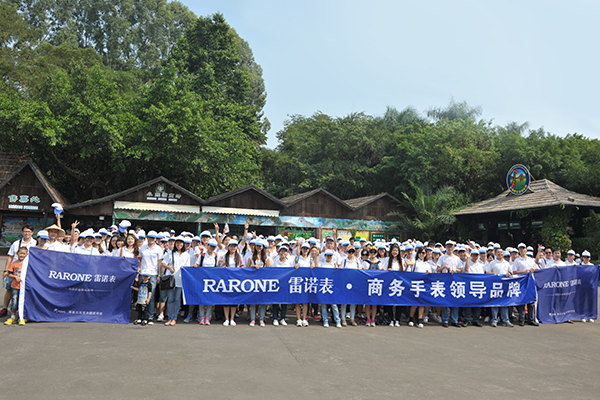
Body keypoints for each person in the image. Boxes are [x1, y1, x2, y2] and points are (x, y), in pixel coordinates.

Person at [2, 224, 36, 318]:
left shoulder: (34, 243)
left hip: (27, 271)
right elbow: (10, 257)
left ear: (32, 233)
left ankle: (21, 311)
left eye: (29, 231)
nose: (26, 233)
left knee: (24, 291)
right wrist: (6, 270)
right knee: (9, 289)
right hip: (14, 270)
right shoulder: (16, 243)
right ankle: (5, 308)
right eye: (25, 231)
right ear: (22, 232)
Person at [138, 231, 165, 325]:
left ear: (155, 239)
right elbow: (140, 260)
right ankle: (141, 316)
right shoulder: (143, 247)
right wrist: (139, 270)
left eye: (153, 238)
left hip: (153, 274)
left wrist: (159, 275)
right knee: (142, 295)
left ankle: (149, 317)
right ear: (147, 238)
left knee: (151, 295)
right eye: (150, 237)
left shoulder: (158, 249)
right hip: (143, 273)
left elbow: (160, 263)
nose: (151, 239)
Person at [161, 237, 190, 326]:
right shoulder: (170, 253)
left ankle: (174, 318)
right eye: (177, 243)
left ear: (183, 244)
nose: (179, 245)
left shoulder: (186, 255)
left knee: (177, 299)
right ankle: (170, 318)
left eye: (181, 243)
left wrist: (184, 267)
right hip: (171, 279)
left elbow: (188, 266)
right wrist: (169, 268)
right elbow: (163, 263)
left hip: (180, 279)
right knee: (170, 299)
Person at [511, 243, 539, 327]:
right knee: (522, 300)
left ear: (526, 250)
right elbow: (514, 271)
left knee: (531, 300)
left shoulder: (531, 259)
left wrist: (534, 268)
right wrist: (523, 271)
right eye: (520, 249)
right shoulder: (517, 260)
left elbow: (537, 267)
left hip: (531, 281)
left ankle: (531, 319)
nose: (522, 250)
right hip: (522, 282)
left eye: (523, 249)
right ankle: (521, 319)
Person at [486, 245, 514, 328]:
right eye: (498, 252)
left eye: (501, 252)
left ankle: (506, 320)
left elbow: (511, 272)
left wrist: (509, 273)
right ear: (495, 253)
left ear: (503, 254)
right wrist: (493, 274)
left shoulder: (506, 263)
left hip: (504, 286)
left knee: (505, 304)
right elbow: (487, 272)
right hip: (495, 286)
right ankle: (494, 320)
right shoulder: (492, 263)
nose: (499, 254)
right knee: (495, 304)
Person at [436, 241, 462, 328]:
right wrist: (444, 267)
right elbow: (437, 269)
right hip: (445, 281)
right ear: (446, 247)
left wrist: (455, 270)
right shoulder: (442, 257)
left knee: (455, 300)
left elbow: (461, 269)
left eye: (451, 247)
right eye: (448, 247)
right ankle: (445, 320)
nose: (450, 248)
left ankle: (454, 320)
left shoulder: (457, 258)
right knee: (445, 301)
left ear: (453, 248)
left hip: (455, 282)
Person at [219, 239, 243, 326]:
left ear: (236, 247)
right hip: (226, 281)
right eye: (231, 246)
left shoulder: (239, 256)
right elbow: (220, 267)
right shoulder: (224, 256)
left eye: (234, 246)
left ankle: (232, 319)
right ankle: (226, 319)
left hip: (236, 281)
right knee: (226, 301)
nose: (232, 248)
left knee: (234, 301)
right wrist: (221, 265)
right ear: (228, 247)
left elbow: (242, 266)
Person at [195, 238, 219, 325]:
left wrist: (220, 264)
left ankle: (208, 317)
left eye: (214, 247)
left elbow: (217, 267)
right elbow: (197, 264)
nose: (212, 248)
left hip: (212, 281)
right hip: (202, 280)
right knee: (201, 299)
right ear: (208, 246)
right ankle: (202, 317)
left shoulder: (216, 256)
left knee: (210, 299)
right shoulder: (202, 255)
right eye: (211, 246)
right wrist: (194, 266)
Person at [248, 240, 271, 327]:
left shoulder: (266, 258)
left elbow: (268, 270)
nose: (258, 248)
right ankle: (253, 319)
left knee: (263, 302)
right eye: (257, 246)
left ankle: (261, 319)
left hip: (263, 282)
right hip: (253, 282)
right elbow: (247, 269)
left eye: (260, 246)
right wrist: (253, 267)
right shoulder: (251, 257)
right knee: (253, 302)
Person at [4, 247, 28, 326]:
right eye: (20, 253)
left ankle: (22, 317)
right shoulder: (13, 263)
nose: (22, 255)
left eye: (23, 254)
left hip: (24, 287)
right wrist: (15, 276)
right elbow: (9, 274)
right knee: (14, 301)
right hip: (15, 286)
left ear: (27, 254)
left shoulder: (27, 264)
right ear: (17, 253)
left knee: (24, 302)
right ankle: (13, 316)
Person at [339, 243, 361, 327]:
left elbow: (360, 272)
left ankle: (352, 319)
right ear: (347, 252)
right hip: (345, 283)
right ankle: (343, 319)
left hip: (354, 283)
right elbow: (341, 272)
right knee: (344, 302)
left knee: (353, 302)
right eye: (349, 251)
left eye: (352, 251)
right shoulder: (344, 261)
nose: (351, 253)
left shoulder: (357, 261)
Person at [408, 247, 430, 328]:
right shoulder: (415, 263)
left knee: (422, 303)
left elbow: (430, 275)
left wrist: (428, 273)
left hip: (423, 285)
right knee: (415, 303)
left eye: (423, 253)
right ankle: (411, 318)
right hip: (415, 284)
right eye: (420, 253)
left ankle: (419, 319)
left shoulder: (427, 264)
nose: (422, 254)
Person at [319, 249, 341, 328]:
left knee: (334, 305)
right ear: (325, 256)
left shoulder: (334, 264)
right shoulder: (321, 264)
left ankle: (337, 320)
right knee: (324, 305)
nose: (329, 257)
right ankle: (325, 320)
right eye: (327, 255)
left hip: (332, 287)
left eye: (330, 255)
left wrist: (337, 269)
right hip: (323, 285)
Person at [272, 245, 293, 326]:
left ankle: (283, 318)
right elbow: (273, 273)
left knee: (284, 302)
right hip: (277, 284)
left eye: (285, 251)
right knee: (276, 302)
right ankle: (275, 318)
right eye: (281, 251)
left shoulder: (289, 263)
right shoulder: (276, 262)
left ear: (287, 253)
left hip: (285, 285)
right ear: (279, 252)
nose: (283, 253)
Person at [364, 245, 381, 327]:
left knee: (374, 303)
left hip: (376, 285)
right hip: (367, 285)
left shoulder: (379, 262)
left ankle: (373, 319)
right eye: (371, 252)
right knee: (367, 303)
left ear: (376, 253)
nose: (373, 253)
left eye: (374, 252)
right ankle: (368, 319)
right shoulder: (365, 262)